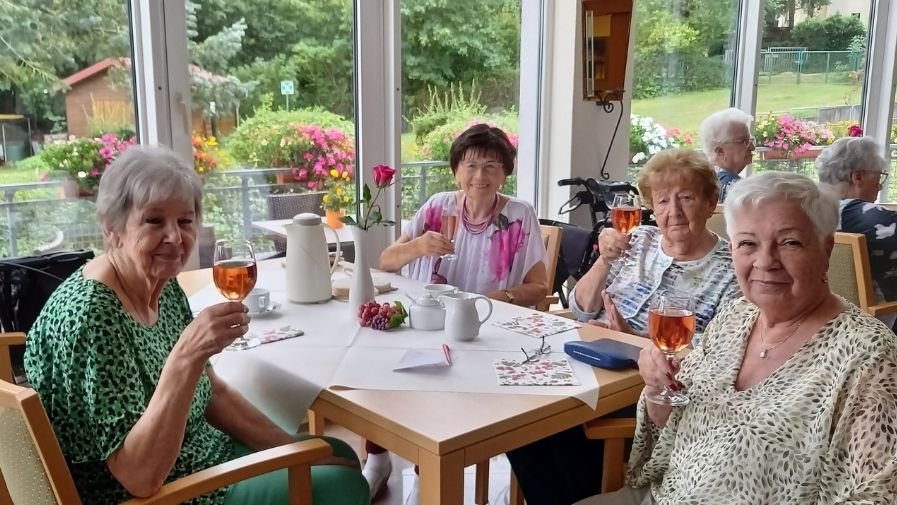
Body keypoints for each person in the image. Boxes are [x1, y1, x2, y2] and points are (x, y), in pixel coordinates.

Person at [24, 146, 369, 505]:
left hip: (199, 456)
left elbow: (212, 392)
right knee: (340, 487)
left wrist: (294, 449)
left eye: (185, 221)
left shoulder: (161, 282)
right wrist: (186, 357)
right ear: (113, 229)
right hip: (155, 493)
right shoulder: (93, 317)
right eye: (154, 221)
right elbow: (137, 478)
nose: (174, 237)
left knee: (334, 451)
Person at [575, 171, 897, 505]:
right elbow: (671, 422)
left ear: (826, 248)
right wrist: (657, 388)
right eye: (748, 243)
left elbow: (879, 495)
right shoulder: (733, 318)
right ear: (733, 250)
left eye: (790, 242)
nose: (765, 261)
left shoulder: (869, 356)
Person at [505, 148, 741, 505]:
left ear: (711, 202)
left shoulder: (731, 269)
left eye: (687, 198)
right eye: (662, 201)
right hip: (585, 359)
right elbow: (583, 309)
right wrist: (602, 261)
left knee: (550, 430)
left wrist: (638, 343)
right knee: (516, 416)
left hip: (644, 388)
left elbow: (724, 350)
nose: (672, 211)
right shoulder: (638, 240)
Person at [373, 123, 550, 499]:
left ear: (505, 172)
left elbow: (540, 287)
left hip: (482, 331)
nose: (480, 176)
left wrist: (494, 299)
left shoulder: (519, 215)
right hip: (426, 322)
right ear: (456, 170)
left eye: (491, 166)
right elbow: (386, 262)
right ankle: (378, 456)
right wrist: (418, 246)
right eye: (470, 165)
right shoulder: (436, 206)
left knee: (433, 384)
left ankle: (427, 470)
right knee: (376, 364)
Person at [816, 136, 897, 329]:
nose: (880, 185)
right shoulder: (869, 218)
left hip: (830, 320)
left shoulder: (810, 208)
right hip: (881, 325)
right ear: (858, 177)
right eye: (879, 176)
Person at [698, 107, 755, 202]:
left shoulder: (702, 179)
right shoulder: (737, 190)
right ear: (720, 152)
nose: (752, 147)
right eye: (743, 141)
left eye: (751, 140)